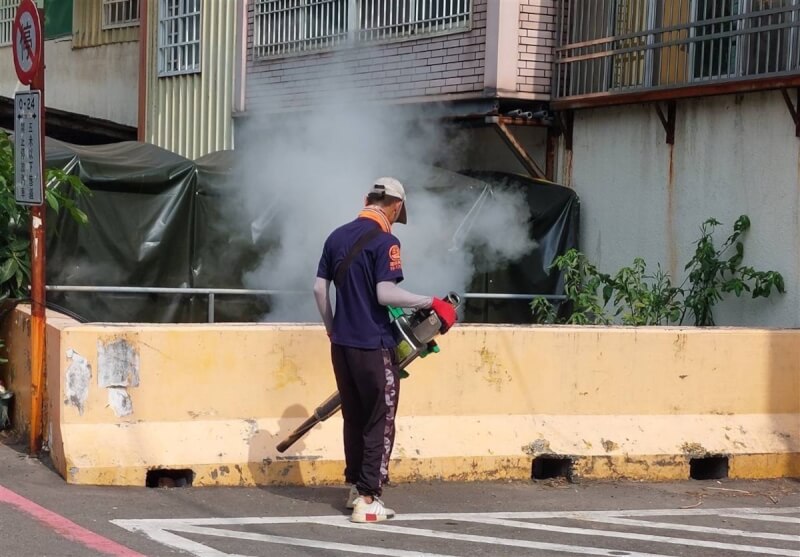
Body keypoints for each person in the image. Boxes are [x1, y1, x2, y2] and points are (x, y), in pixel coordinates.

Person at [313, 177, 457, 523]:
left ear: (366, 199)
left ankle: (354, 488)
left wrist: (332, 329)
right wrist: (432, 301)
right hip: (374, 345)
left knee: (354, 417)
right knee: (380, 419)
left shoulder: (336, 236)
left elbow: (320, 290)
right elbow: (385, 294)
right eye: (397, 212)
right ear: (395, 206)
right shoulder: (387, 241)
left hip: (342, 346)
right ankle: (368, 498)